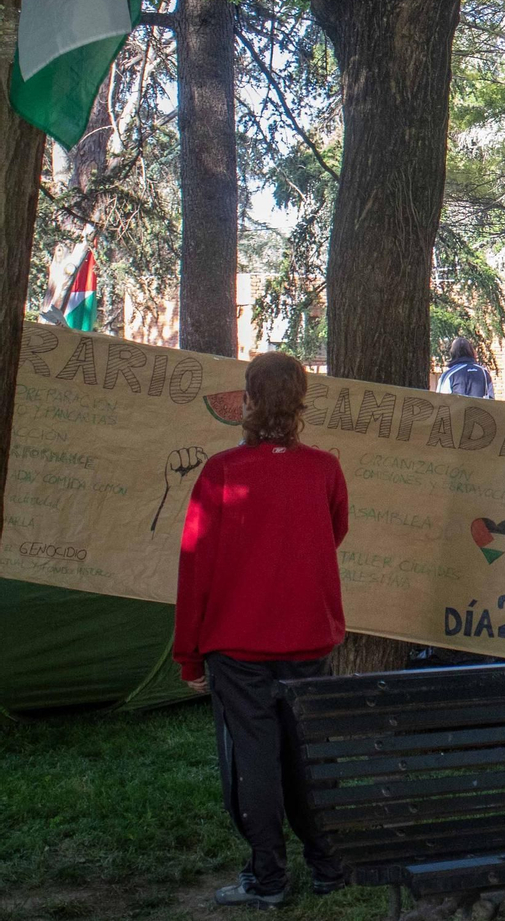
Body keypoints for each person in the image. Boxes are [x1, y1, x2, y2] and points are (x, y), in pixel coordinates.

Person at [173, 352, 351, 908]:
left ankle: (269, 878)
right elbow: (332, 533)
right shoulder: (325, 469)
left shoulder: (222, 472)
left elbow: (194, 565)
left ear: (247, 402)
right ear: (301, 404)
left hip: (238, 644)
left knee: (255, 757)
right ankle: (326, 865)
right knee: (305, 751)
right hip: (308, 637)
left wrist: (188, 657)